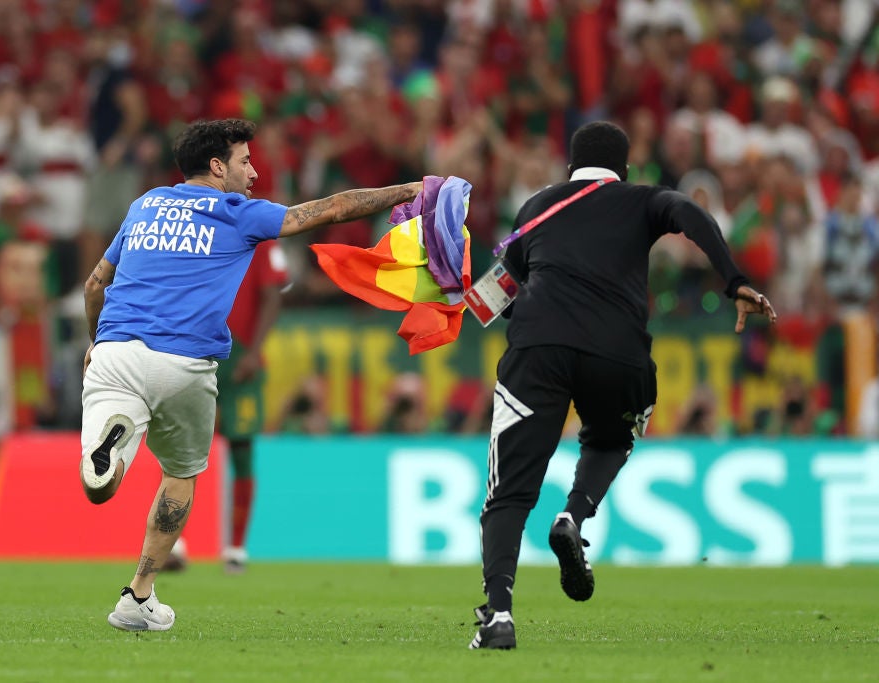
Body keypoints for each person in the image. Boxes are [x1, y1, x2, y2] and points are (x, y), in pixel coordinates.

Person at [80, 118, 422, 632]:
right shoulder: (238, 213)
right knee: (181, 474)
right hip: (185, 363)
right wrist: (412, 189)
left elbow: (93, 285)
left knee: (102, 484)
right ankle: (139, 592)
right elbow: (333, 208)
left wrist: (93, 342)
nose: (254, 171)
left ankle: (111, 450)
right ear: (218, 167)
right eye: (244, 161)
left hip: (112, 354)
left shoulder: (143, 204)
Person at [469, 121, 777, 650]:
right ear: (626, 170)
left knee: (508, 494)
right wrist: (734, 281)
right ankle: (575, 513)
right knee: (613, 436)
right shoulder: (643, 199)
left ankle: (498, 616)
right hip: (617, 352)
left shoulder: (536, 208)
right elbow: (691, 214)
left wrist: (451, 304)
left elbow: (499, 294)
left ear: (570, 168)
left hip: (538, 349)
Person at [164, 239, 289, 574]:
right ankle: (175, 543)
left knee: (242, 448)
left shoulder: (260, 236)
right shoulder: (195, 233)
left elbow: (274, 294)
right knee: (184, 449)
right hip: (196, 353)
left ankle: (236, 548)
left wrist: (253, 352)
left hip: (242, 360)